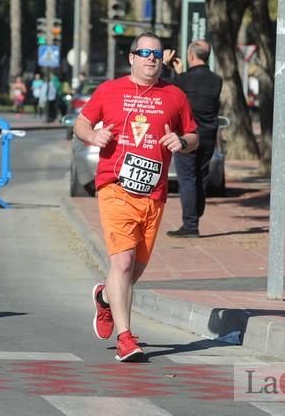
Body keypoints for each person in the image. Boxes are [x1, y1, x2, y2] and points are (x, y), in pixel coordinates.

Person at [73, 32, 199, 362]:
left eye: (156, 54)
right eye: (143, 52)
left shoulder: (175, 95)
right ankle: (125, 337)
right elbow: (81, 123)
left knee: (135, 269)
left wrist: (182, 143)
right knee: (124, 262)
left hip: (153, 193)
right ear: (131, 58)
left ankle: (104, 298)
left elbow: (194, 134)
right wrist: (93, 135)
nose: (151, 58)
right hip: (114, 185)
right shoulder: (109, 90)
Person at [162, 40, 222, 238]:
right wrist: (179, 73)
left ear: (191, 57)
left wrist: (166, 66)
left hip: (187, 135)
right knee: (201, 176)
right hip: (208, 135)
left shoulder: (184, 80)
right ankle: (196, 214)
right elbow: (189, 90)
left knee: (187, 178)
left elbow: (168, 89)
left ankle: (190, 225)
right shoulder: (216, 80)